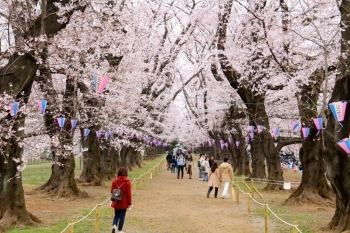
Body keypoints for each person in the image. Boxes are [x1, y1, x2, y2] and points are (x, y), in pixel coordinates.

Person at [111, 167, 132, 233]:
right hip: (124, 202)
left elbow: (112, 191)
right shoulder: (127, 182)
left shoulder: (115, 181)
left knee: (116, 215)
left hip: (116, 201)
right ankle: (120, 230)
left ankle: (114, 225)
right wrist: (130, 203)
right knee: (122, 216)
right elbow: (129, 194)